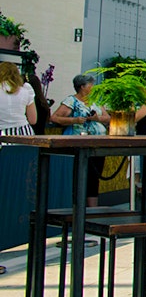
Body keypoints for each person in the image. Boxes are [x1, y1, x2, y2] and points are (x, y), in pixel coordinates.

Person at [50, 74, 110, 207]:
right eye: (90, 85)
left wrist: (97, 119)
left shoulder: (96, 101)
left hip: (98, 143)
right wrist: (74, 120)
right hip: (79, 144)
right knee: (80, 176)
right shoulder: (72, 101)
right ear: (82, 87)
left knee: (94, 177)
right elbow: (55, 117)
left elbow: (108, 118)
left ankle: (92, 209)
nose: (93, 88)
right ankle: (77, 206)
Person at [0, 62, 37, 274]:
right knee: (23, 184)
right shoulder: (25, 91)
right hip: (23, 137)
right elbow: (33, 119)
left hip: (2, 137)